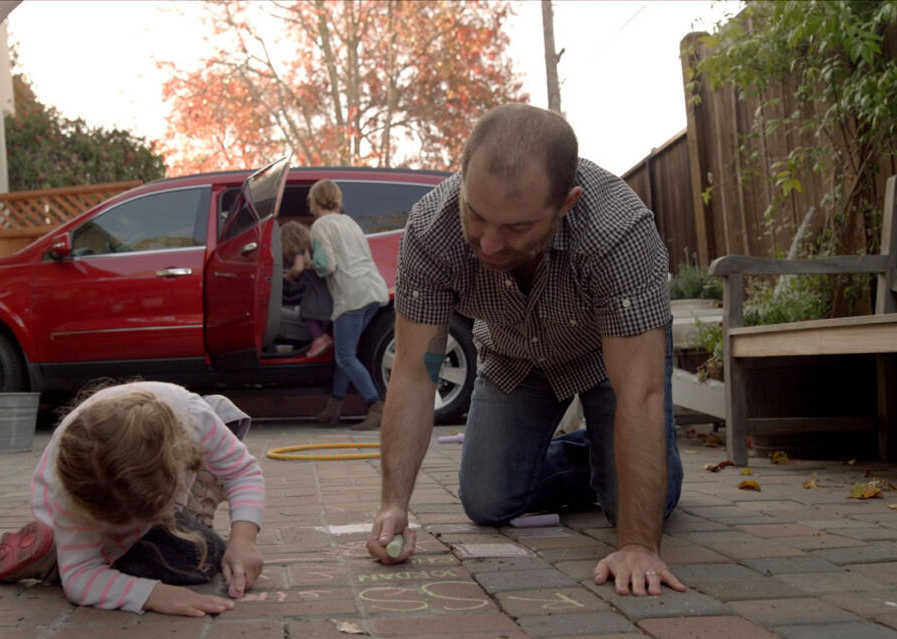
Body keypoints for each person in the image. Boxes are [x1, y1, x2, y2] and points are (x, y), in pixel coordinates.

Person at [365, 103, 686, 597]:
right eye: (476, 214)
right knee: (487, 503)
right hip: (515, 361)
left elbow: (639, 393)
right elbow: (413, 373)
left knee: (640, 508)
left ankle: (631, 467)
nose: (489, 244)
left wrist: (639, 544)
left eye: (516, 228)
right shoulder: (432, 229)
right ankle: (601, 457)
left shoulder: (619, 229)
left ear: (567, 203)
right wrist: (393, 504)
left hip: (610, 363)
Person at [0, 380, 265, 617]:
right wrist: (153, 594)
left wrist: (243, 539)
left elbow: (242, 472)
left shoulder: (194, 417)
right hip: (74, 517)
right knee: (198, 559)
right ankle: (56, 557)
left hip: (163, 478)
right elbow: (80, 578)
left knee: (205, 549)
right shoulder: (74, 484)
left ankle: (67, 553)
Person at [306, 179, 390, 431]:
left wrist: (309, 263)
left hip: (350, 296)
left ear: (314, 200)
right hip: (373, 289)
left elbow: (327, 265)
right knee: (346, 354)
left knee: (345, 356)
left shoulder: (320, 226)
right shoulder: (350, 222)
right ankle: (334, 407)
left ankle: (376, 406)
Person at [280, 220, 334, 358]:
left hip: (316, 291)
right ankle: (322, 336)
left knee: (306, 311)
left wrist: (288, 277)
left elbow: (298, 268)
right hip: (323, 289)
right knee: (314, 312)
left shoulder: (301, 250)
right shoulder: (311, 247)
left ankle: (320, 338)